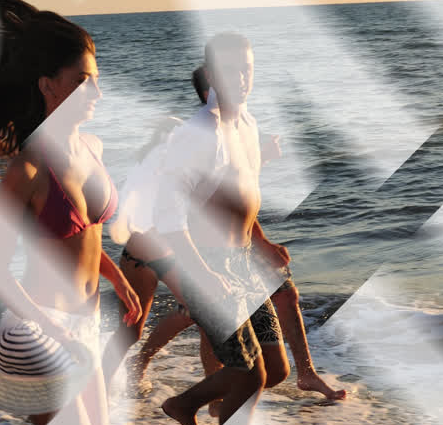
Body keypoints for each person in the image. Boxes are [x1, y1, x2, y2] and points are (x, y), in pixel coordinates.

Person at [0, 0, 142, 425]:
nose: (97, 93)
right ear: (49, 86)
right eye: (83, 81)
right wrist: (52, 327)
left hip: (85, 325)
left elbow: (83, 239)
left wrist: (117, 276)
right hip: (39, 332)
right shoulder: (27, 170)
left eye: (97, 80)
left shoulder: (91, 146)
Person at [111, 67, 346, 406]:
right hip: (168, 252)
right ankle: (188, 382)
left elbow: (240, 203)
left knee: (284, 295)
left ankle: (297, 375)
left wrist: (262, 240)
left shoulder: (234, 132)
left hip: (236, 246)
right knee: (178, 318)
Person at [150, 33, 276, 425]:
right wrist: (204, 273)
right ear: (211, 74)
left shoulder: (247, 126)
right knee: (251, 372)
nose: (241, 78)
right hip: (211, 266)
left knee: (273, 367)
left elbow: (241, 196)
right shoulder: (197, 134)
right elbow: (168, 216)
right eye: (231, 69)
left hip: (244, 262)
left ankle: (187, 404)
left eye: (247, 67)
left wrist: (262, 244)